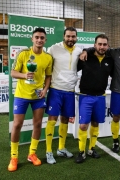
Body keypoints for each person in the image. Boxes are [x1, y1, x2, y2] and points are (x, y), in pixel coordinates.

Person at [80, 32, 120, 157]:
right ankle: (115, 141)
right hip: (117, 92)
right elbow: (98, 49)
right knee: (116, 117)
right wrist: (85, 50)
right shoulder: (113, 52)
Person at [8, 28, 53, 172]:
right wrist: (24, 75)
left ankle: (32, 153)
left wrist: (45, 90)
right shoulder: (24, 54)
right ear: (32, 39)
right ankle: (14, 157)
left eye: (42, 38)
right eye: (37, 37)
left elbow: (48, 76)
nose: (39, 40)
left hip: (38, 96)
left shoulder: (47, 57)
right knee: (17, 125)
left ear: (45, 40)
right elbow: (13, 72)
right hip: (21, 95)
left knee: (38, 124)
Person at [45, 27, 82, 164]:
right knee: (52, 119)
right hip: (55, 90)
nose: (70, 39)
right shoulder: (53, 49)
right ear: (64, 36)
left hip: (70, 91)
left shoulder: (79, 50)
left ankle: (61, 148)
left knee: (65, 119)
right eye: (68, 36)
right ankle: (49, 151)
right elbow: (46, 67)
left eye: (73, 36)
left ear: (76, 37)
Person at [75, 34, 114, 163]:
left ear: (107, 46)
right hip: (85, 96)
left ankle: (91, 149)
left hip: (101, 97)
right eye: (99, 44)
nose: (102, 47)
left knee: (95, 123)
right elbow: (73, 70)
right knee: (83, 125)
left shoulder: (110, 59)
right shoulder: (85, 57)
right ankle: (81, 151)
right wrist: (86, 51)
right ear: (95, 45)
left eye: (104, 44)